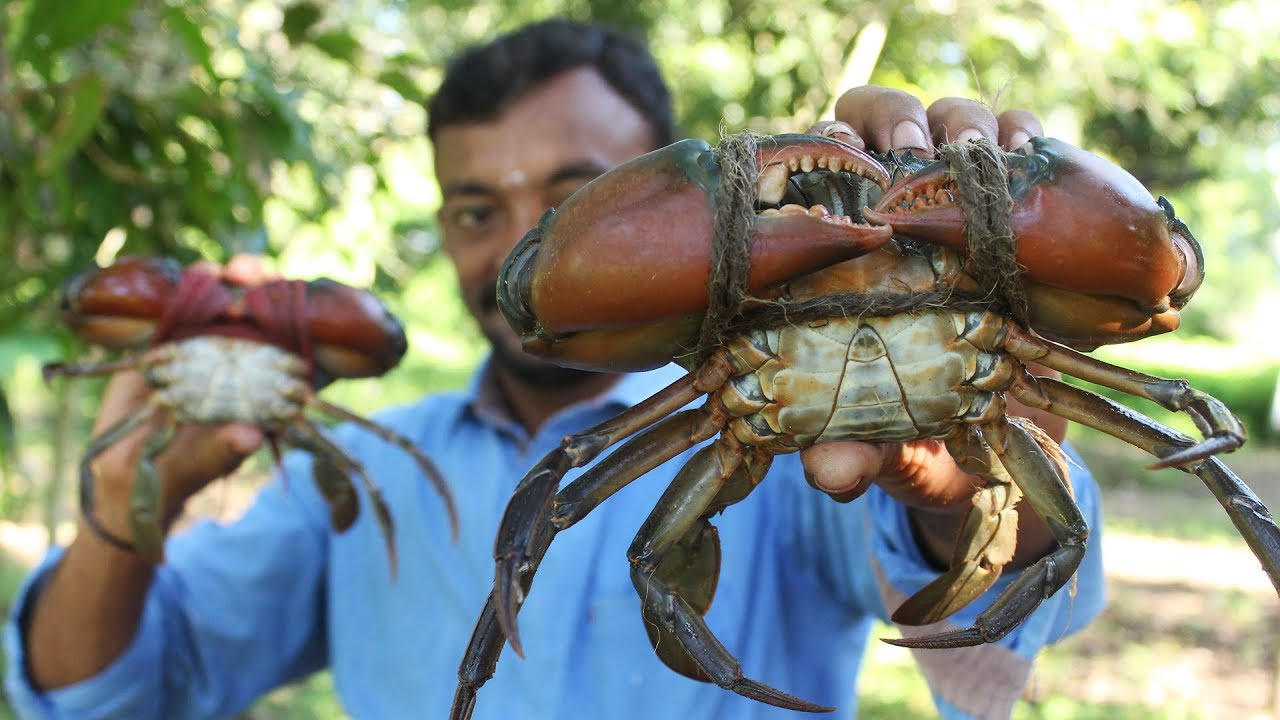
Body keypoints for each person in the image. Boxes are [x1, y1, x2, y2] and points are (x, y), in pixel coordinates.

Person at [4, 18, 1104, 720]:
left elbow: (987, 575)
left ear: (678, 201)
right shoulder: (377, 475)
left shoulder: (783, 452)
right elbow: (103, 697)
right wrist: (118, 511)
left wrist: (961, 475)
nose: (526, 246)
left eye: (576, 197)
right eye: (477, 210)